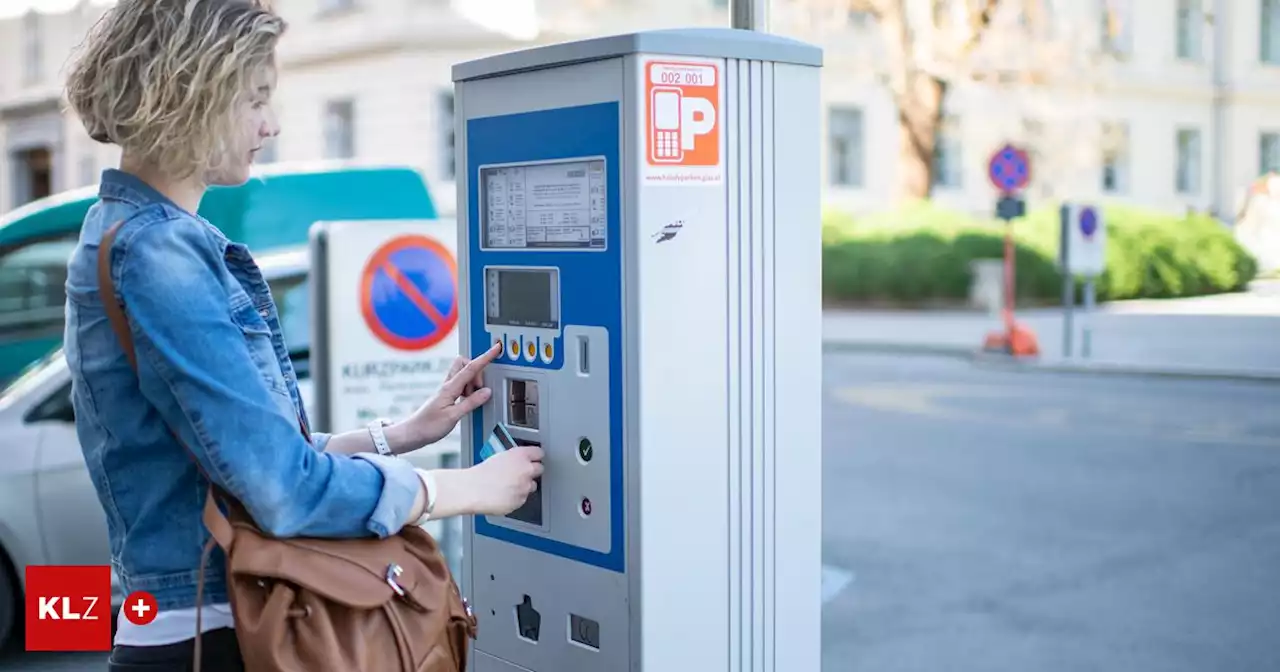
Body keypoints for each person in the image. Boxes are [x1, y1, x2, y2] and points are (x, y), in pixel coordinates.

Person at [61, 1, 543, 670]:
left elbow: (238, 457)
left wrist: (401, 433)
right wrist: (463, 491)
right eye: (255, 99)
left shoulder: (124, 231)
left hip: (201, 628)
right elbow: (285, 489)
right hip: (217, 638)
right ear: (192, 94)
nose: (272, 123)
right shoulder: (157, 253)